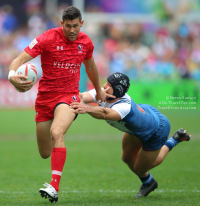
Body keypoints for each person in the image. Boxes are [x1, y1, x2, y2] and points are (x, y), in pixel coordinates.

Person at [8, 6, 113, 203]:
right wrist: (12, 76)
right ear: (61, 24)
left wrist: (98, 89)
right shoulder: (46, 38)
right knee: (44, 153)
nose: (72, 30)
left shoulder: (86, 42)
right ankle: (83, 101)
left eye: (75, 26)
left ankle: (54, 186)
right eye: (68, 26)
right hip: (45, 98)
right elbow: (18, 60)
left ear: (81, 23)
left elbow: (90, 66)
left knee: (57, 133)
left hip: (69, 96)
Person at [70, 72, 191, 198]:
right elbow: (82, 96)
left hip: (156, 130)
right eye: (106, 82)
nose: (104, 85)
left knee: (140, 168)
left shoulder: (123, 107)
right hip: (140, 124)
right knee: (127, 158)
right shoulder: (104, 91)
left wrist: (88, 108)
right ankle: (148, 183)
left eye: (109, 84)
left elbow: (105, 113)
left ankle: (174, 139)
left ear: (117, 90)